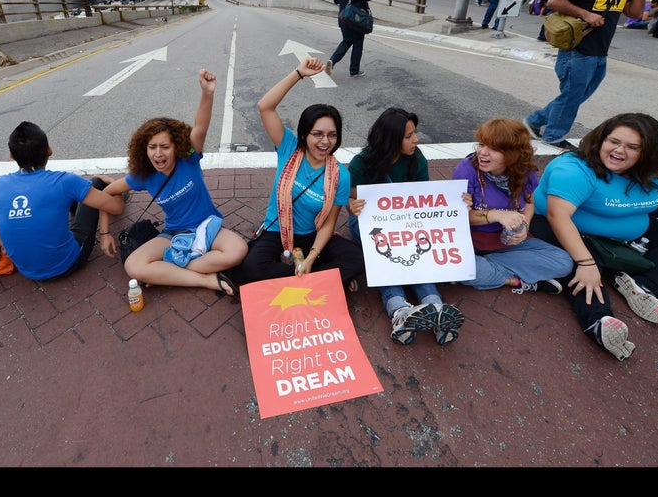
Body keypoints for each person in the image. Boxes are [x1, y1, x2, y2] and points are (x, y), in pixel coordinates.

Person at [528, 113, 658, 361]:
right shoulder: (573, 169)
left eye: (632, 147)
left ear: (648, 153)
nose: (619, 151)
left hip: (626, 230)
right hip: (562, 227)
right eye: (613, 141)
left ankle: (644, 286)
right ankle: (599, 321)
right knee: (584, 270)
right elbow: (558, 216)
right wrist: (586, 263)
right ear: (602, 139)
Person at [102, 69, 246, 296]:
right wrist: (104, 233)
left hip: (206, 228)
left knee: (238, 251)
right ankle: (206, 280)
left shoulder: (188, 158)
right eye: (152, 147)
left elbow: (201, 127)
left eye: (164, 147)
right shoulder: (143, 175)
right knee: (133, 265)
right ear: (144, 149)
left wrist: (207, 93)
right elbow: (107, 193)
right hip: (174, 235)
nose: (158, 154)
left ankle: (168, 272)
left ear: (175, 147)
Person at [231, 57, 365, 290]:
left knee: (358, 258)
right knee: (252, 266)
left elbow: (329, 224)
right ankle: (322, 279)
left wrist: (311, 257)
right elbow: (265, 106)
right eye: (317, 134)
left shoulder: (340, 175)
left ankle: (304, 273)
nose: (325, 142)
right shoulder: (289, 147)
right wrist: (298, 74)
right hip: (277, 231)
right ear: (304, 135)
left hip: (312, 235)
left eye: (332, 135)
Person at [346, 107, 465, 346]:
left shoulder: (416, 158)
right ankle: (400, 311)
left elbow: (423, 198)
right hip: (370, 224)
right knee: (387, 252)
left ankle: (435, 310)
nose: (416, 139)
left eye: (415, 133)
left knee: (415, 250)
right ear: (391, 139)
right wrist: (353, 205)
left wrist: (456, 202)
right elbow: (350, 196)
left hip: (407, 224)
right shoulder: (362, 162)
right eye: (409, 136)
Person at [523, 0, 645, 151]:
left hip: (599, 53)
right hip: (577, 52)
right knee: (571, 97)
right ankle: (552, 136)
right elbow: (554, 0)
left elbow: (635, 13)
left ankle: (533, 121)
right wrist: (586, 14)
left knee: (573, 96)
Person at [0, 121, 127, 281]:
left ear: (12, 156)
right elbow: (116, 208)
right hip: (67, 263)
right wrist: (111, 183)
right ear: (49, 150)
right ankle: (108, 186)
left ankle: (78, 204)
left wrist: (3, 229)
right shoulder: (64, 181)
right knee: (96, 182)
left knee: (66, 199)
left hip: (26, 270)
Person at [453, 118, 574, 296]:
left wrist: (525, 226)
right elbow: (456, 216)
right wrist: (496, 215)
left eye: (493, 149)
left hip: (507, 242)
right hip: (472, 240)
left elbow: (529, 202)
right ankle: (513, 280)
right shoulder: (467, 170)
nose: (483, 153)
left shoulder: (525, 170)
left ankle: (485, 267)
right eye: (481, 144)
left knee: (564, 262)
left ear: (513, 154)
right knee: (457, 267)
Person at [326, 0, 372, 78]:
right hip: (357, 17)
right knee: (358, 42)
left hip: (343, 16)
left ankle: (332, 60)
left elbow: (336, 0)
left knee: (346, 40)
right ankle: (354, 70)